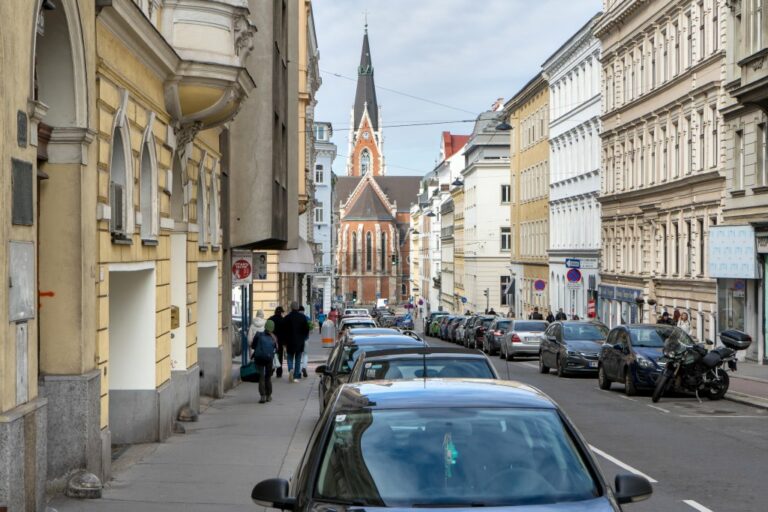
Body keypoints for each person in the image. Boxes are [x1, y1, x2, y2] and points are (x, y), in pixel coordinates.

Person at [277, 301, 310, 382]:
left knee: (290, 357)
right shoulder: (302, 317)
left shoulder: (287, 318)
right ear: (298, 308)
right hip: (299, 342)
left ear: (291, 308)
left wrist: (284, 341)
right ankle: (296, 375)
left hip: (290, 342)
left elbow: (282, 330)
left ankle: (290, 369)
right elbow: (306, 329)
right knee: (298, 359)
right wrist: (304, 337)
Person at [250, 317, 276, 403]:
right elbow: (276, 349)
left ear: (265, 326)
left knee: (261, 377)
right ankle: (269, 395)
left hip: (259, 358)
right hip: (269, 359)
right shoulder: (274, 338)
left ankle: (262, 396)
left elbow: (253, 346)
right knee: (268, 377)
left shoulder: (258, 335)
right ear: (272, 328)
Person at [268, 306, 285, 377]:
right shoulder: (283, 320)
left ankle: (271, 370)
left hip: (271, 340)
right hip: (280, 341)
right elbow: (285, 332)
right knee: (280, 356)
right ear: (281, 312)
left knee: (271, 356)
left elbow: (267, 329)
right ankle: (279, 372)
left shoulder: (270, 319)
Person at [299, 305, 312, 378]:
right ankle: (304, 367)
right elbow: (311, 329)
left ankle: (299, 370)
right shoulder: (307, 318)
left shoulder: (297, 317)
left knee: (298, 355)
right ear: (303, 311)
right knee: (305, 354)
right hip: (306, 339)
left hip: (298, 339)